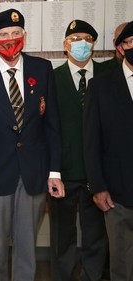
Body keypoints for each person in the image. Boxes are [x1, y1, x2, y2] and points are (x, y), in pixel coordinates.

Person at [0, 9, 65, 281]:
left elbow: (52, 124)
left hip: (34, 174)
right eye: (3, 35)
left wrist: (54, 172)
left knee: (27, 248)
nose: (10, 39)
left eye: (16, 34)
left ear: (24, 36)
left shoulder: (42, 69)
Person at [49, 19, 108, 281]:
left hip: (100, 173)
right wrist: (52, 170)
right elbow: (47, 128)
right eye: (74, 39)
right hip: (64, 170)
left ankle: (92, 277)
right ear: (64, 45)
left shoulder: (109, 75)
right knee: (63, 235)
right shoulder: (52, 78)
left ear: (94, 44)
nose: (80, 44)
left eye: (86, 38)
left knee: (96, 234)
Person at [83, 21, 133, 281]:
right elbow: (91, 141)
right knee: (122, 264)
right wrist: (98, 186)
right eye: (130, 42)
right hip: (118, 193)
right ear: (120, 48)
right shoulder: (100, 86)